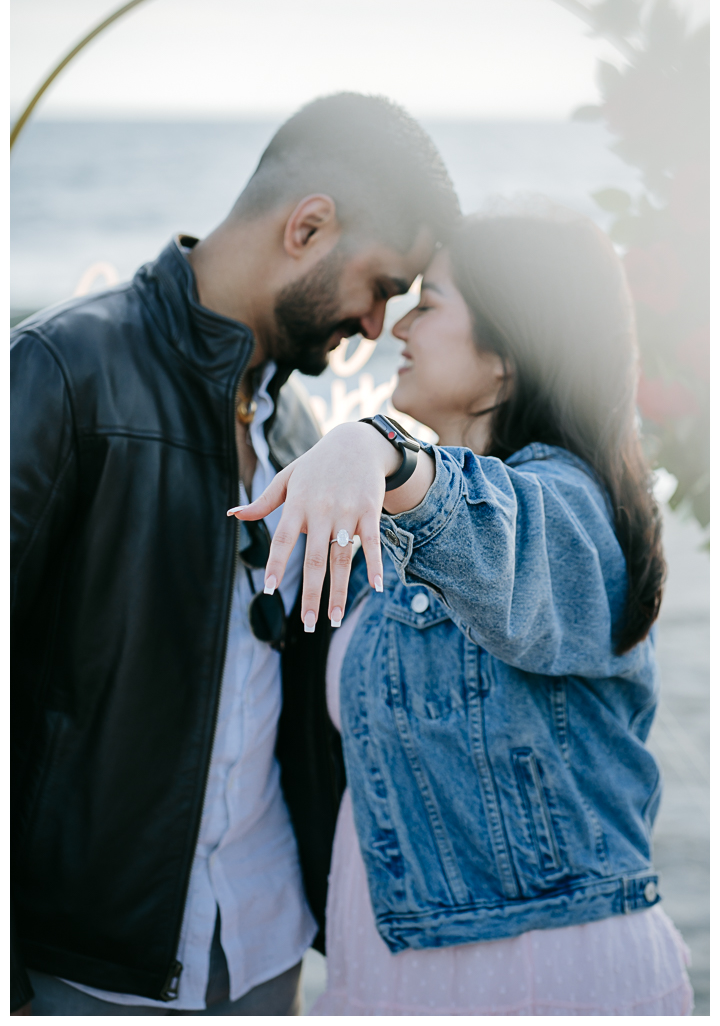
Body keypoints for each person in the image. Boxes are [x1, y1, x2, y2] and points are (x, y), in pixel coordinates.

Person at [10, 92, 460, 1015]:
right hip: (86, 963)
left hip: (265, 948)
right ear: (308, 226)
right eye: (379, 286)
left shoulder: (299, 430)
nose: (377, 327)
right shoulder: (57, 371)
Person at [229, 207, 694, 1015]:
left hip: (536, 972)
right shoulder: (413, 529)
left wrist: (379, 445)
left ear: (508, 358)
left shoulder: (572, 514)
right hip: (396, 959)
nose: (400, 325)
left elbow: (500, 536)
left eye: (432, 302)